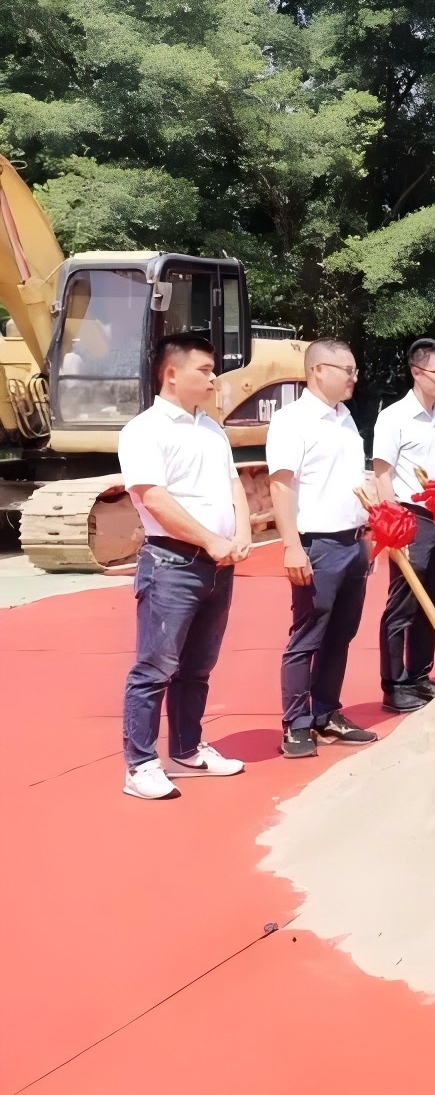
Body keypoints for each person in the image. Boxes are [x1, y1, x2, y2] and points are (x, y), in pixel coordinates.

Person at [116, 334, 252, 799]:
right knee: (154, 668)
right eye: (205, 370)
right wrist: (211, 539)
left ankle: (187, 750)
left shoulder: (211, 428)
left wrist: (242, 532)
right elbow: (153, 497)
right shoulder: (145, 430)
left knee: (197, 667)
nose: (214, 379)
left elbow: (233, 482)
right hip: (172, 563)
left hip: (219, 564)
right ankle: (140, 765)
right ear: (172, 373)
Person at [266, 338, 378, 759]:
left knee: (341, 634)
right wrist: (291, 546)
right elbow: (281, 486)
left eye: (354, 370)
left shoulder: (345, 419)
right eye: (347, 370)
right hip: (318, 544)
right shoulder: (292, 421)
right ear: (317, 370)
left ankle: (326, 712)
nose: (353, 378)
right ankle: (296, 723)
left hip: (353, 540)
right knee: (308, 635)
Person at [372, 337, 435, 712]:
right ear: (416, 372)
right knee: (404, 602)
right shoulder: (394, 418)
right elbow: (382, 474)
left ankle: (420, 675)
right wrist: (392, 526)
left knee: (434, 599)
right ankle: (394, 684)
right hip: (409, 516)